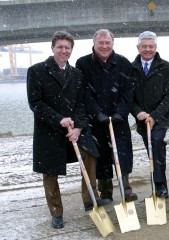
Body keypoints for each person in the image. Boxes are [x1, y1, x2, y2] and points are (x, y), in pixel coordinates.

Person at [27, 31, 111, 229]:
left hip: (74, 129)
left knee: (91, 154)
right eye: (60, 47)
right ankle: (56, 212)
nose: (64, 51)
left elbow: (81, 103)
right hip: (49, 130)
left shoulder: (76, 74)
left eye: (67, 47)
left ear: (71, 49)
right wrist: (58, 119)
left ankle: (90, 199)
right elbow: (36, 103)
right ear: (52, 48)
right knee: (49, 171)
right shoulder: (37, 71)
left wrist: (80, 127)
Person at [76, 29, 137, 202]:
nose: (104, 46)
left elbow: (128, 91)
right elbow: (84, 93)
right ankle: (106, 192)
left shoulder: (124, 63)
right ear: (94, 44)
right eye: (100, 43)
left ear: (112, 44)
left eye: (107, 43)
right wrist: (97, 113)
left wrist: (120, 112)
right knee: (100, 154)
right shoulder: (83, 64)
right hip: (96, 120)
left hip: (119, 119)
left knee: (122, 153)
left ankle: (126, 189)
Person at [131, 31, 169, 198]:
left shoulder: (166, 67)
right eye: (144, 46)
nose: (148, 49)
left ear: (156, 47)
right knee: (152, 150)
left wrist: (155, 115)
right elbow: (129, 96)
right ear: (138, 48)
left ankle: (160, 186)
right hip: (142, 118)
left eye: (151, 46)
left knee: (156, 142)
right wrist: (138, 112)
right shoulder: (131, 68)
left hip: (162, 117)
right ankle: (159, 184)